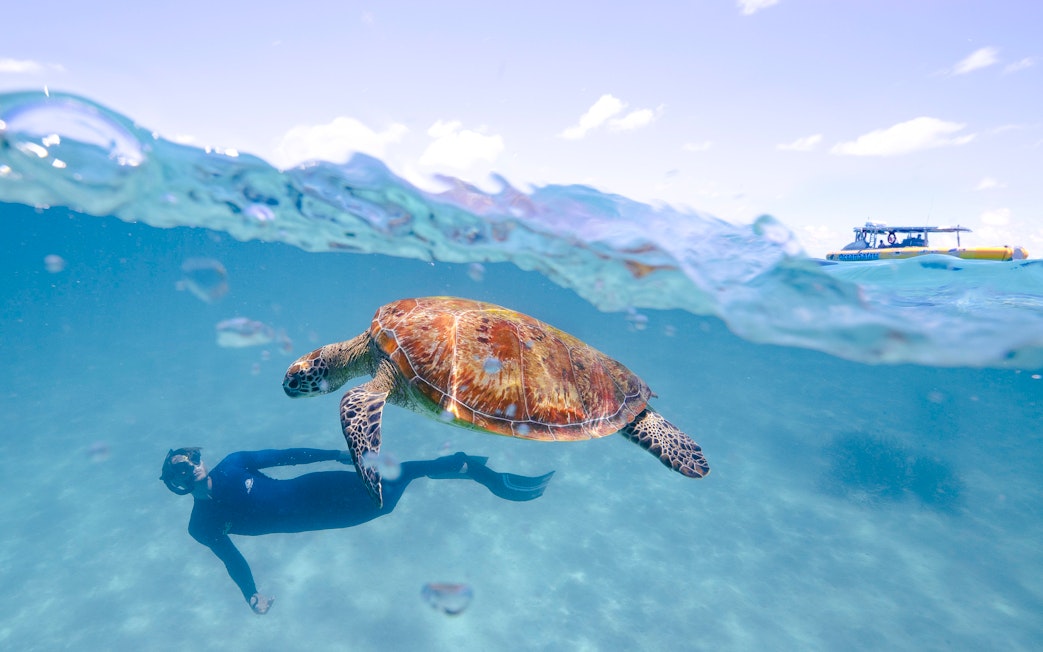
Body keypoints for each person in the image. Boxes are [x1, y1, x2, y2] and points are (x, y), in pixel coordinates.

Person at [160, 447, 553, 614]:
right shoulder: (203, 525)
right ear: (177, 483)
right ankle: (464, 466)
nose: (193, 465)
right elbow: (231, 559)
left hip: (320, 485)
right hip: (326, 514)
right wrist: (252, 596)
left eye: (192, 457)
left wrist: (337, 453)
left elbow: (288, 456)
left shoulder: (232, 465)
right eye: (182, 467)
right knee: (386, 500)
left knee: (400, 475)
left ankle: (480, 473)